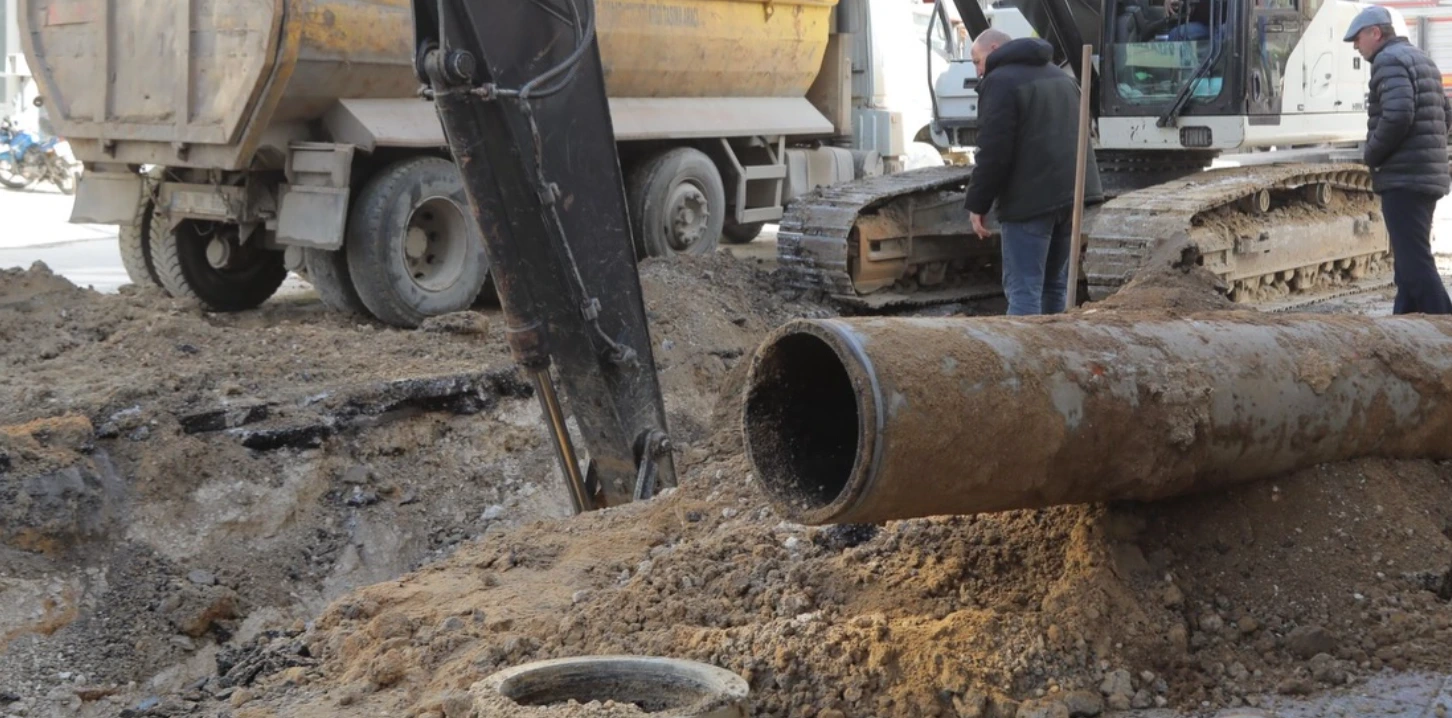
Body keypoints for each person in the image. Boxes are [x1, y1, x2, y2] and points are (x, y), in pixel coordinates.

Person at [963, 29, 1103, 316]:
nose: (977, 70)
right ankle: (1054, 356)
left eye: (976, 61)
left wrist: (977, 203)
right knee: (1055, 287)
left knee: (1024, 290)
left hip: (1029, 201)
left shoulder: (1000, 82)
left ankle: (1023, 359)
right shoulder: (1059, 76)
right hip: (1069, 198)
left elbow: (993, 151)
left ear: (993, 48)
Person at [1344, 5, 1452, 315]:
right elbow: (1446, 115)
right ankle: (1402, 325)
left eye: (1357, 38)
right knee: (1408, 261)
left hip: (1404, 177)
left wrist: (1372, 153)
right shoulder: (1422, 59)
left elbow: (1399, 114)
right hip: (1425, 174)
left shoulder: (1387, 61)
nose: (1355, 45)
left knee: (1415, 263)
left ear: (1375, 33)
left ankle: (1443, 329)